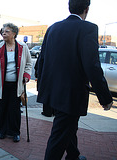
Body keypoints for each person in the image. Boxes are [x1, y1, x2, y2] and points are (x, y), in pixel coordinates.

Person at [36, 0, 113, 159]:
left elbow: (42, 60)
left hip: (53, 92)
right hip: (71, 94)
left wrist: (42, 86)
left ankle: (73, 155)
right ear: (87, 9)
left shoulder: (53, 28)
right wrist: (105, 97)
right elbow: (92, 66)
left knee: (68, 126)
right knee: (59, 134)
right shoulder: (88, 28)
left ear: (69, 7)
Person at [0, 23, 32, 142]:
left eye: (7, 31)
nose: (4, 33)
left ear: (14, 33)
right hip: (1, 84)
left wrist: (26, 75)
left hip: (16, 84)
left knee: (14, 109)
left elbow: (28, 63)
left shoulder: (23, 47)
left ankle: (14, 132)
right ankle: (2, 131)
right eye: (3, 31)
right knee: (1, 108)